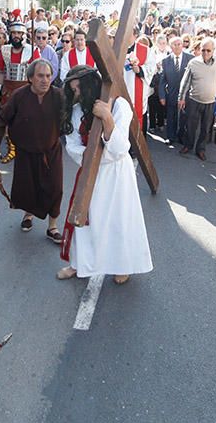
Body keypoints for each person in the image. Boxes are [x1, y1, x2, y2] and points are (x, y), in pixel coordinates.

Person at [58, 66, 152, 284]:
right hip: (91, 171)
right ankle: (78, 263)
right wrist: (94, 158)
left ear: (91, 86)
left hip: (117, 175)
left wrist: (108, 119)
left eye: (79, 89)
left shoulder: (119, 106)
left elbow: (119, 148)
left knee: (119, 220)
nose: (76, 95)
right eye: (73, 91)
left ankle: (122, 265)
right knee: (84, 219)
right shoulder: (76, 111)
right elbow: (72, 147)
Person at [0, 60, 65, 242]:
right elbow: (2, 118)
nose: (45, 80)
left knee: (55, 188)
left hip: (51, 152)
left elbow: (73, 114)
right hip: (26, 152)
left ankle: (52, 226)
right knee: (28, 188)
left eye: (48, 76)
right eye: (40, 76)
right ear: (30, 78)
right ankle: (28, 215)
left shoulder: (58, 96)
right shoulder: (19, 96)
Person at [0, 22, 35, 164]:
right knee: (8, 121)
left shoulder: (32, 50)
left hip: (25, 88)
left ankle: (26, 149)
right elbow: (0, 72)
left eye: (19, 33)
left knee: (26, 120)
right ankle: (12, 150)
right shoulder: (4, 50)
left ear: (23, 35)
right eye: (14, 33)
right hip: (8, 89)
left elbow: (36, 72)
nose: (16, 36)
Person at [178, 37, 216, 161]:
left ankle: (201, 149)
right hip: (194, 100)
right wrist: (181, 98)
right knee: (191, 126)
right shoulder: (193, 62)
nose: (205, 53)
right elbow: (185, 82)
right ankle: (188, 145)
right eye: (203, 50)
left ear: (213, 50)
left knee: (206, 127)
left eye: (208, 50)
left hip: (210, 101)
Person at [158, 35, 192, 147]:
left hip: (186, 94)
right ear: (170, 46)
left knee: (184, 117)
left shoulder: (190, 59)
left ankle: (181, 136)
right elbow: (162, 81)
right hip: (171, 93)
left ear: (182, 45)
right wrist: (162, 96)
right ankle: (170, 137)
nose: (177, 47)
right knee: (171, 116)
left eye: (179, 44)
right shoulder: (165, 61)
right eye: (174, 45)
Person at [123, 34, 159, 135]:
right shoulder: (116, 47)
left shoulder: (146, 50)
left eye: (129, 33)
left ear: (134, 35)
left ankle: (139, 147)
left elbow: (151, 68)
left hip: (137, 90)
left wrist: (140, 70)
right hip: (121, 89)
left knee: (139, 119)